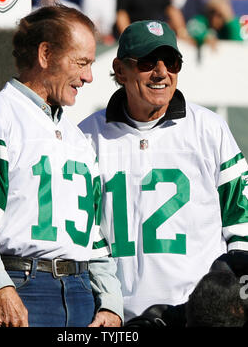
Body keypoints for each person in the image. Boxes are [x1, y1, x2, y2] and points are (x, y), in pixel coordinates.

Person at [0, 5, 123, 327]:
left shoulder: (77, 137)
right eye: (82, 62)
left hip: (82, 292)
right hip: (22, 288)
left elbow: (93, 236)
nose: (88, 77)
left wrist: (111, 302)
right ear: (46, 54)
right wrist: (0, 287)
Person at [79, 19, 248, 324]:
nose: (161, 72)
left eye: (170, 62)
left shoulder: (210, 129)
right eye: (147, 62)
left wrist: (230, 294)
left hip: (196, 317)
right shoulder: (87, 138)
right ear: (119, 70)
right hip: (117, 317)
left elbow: (242, 221)